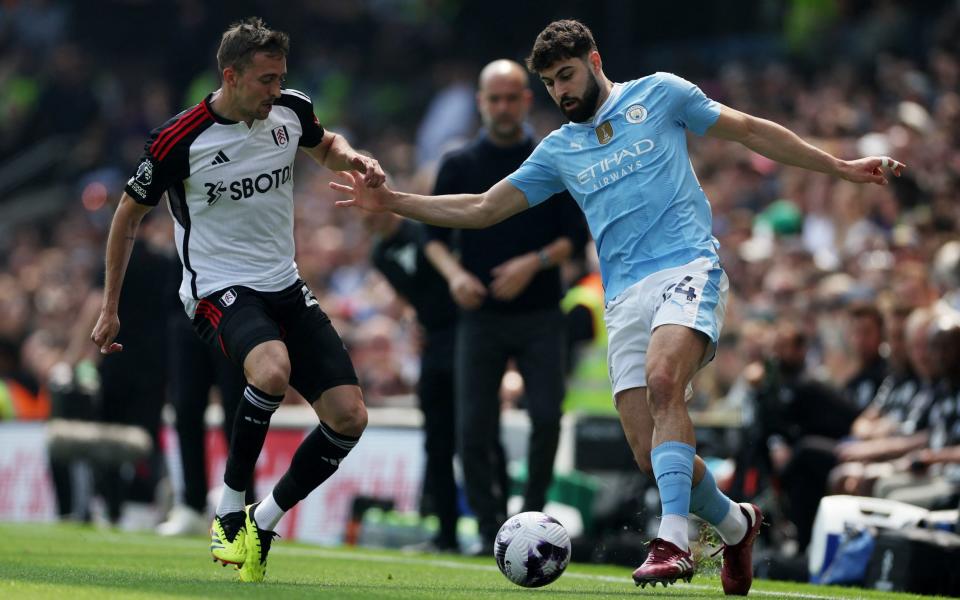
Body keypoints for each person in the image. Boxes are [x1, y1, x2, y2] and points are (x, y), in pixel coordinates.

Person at [330, 19, 905, 594]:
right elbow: (483, 207)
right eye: (552, 84)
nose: (561, 91)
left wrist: (838, 166)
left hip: (688, 268)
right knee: (648, 453)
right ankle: (735, 523)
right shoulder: (558, 150)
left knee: (663, 382)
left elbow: (750, 131)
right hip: (625, 297)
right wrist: (393, 201)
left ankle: (673, 541)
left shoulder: (660, 94)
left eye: (567, 75)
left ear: (596, 61)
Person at [91, 17, 384, 583]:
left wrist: (355, 160)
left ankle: (263, 521)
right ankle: (227, 510)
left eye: (281, 78)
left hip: (284, 283)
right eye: (266, 80)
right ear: (231, 75)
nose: (276, 90)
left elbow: (325, 147)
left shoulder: (290, 111)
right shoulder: (179, 140)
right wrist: (110, 306)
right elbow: (126, 218)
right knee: (271, 370)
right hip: (216, 288)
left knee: (349, 417)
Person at [423, 59, 588, 554]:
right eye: (493, 98)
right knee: (472, 426)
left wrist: (531, 264)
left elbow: (574, 240)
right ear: (480, 102)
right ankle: (491, 527)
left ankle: (534, 520)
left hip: (540, 313)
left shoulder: (550, 156)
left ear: (526, 100)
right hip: (481, 316)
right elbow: (432, 237)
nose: (502, 107)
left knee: (546, 417)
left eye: (511, 97)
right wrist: (455, 276)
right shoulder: (458, 164)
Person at [363, 210, 461, 553]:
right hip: (433, 344)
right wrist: (413, 323)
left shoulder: (426, 230)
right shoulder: (379, 254)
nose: (364, 214)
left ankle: (493, 528)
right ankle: (445, 534)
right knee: (436, 441)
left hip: (464, 334)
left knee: (477, 437)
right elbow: (408, 299)